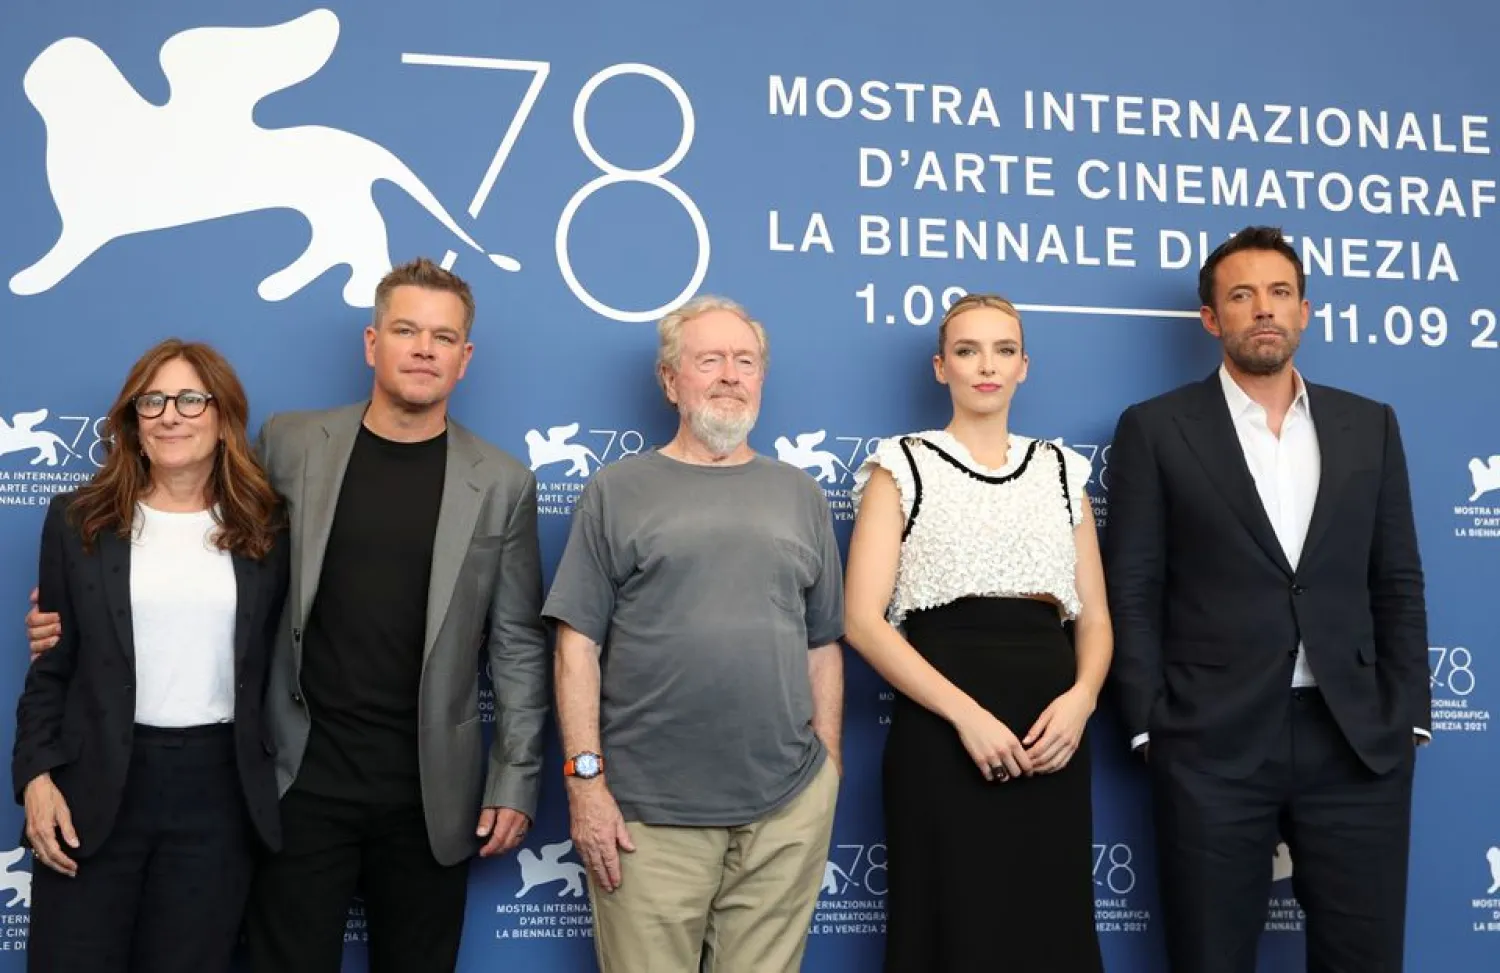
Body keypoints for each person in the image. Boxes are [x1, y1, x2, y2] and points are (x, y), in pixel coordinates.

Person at [25, 257, 550, 973]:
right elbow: (200, 542)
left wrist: (516, 776)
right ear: (372, 343)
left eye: (442, 335)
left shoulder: (504, 482)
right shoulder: (292, 444)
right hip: (295, 780)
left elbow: (518, 642)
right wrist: (68, 618)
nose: (423, 347)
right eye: (405, 329)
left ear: (466, 356)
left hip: (433, 790)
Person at [1105, 225, 1430, 973]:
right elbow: (1134, 586)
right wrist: (1155, 726)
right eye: (1241, 295)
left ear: (1305, 311)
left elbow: (1399, 579)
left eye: (1279, 293)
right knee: (1210, 957)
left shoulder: (1369, 424)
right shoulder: (1155, 429)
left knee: (1365, 957)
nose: (1263, 309)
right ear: (1211, 319)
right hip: (1210, 740)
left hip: (1355, 739)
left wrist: (1409, 712)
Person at [542, 296, 844, 973]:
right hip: (646, 816)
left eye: (745, 361)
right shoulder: (617, 489)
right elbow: (576, 647)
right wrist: (585, 783)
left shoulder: (800, 495)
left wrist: (827, 766)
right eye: (710, 360)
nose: (730, 375)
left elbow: (822, 643)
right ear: (671, 380)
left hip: (785, 811)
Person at [843, 294, 1110, 972]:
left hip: (1052, 736)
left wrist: (1081, 702)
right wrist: (967, 716)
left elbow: (1097, 619)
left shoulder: (1060, 469)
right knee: (949, 926)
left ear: (1025, 365)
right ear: (941, 367)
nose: (985, 365)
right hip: (942, 735)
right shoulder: (900, 465)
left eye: (1002, 349)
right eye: (967, 350)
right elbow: (861, 621)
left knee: (1050, 929)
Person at [13, 339, 289, 972]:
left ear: (224, 421)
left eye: (192, 399)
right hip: (94, 784)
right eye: (153, 400)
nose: (171, 414)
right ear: (133, 422)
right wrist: (35, 777)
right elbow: (50, 669)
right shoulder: (78, 521)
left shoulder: (267, 529)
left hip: (217, 794)